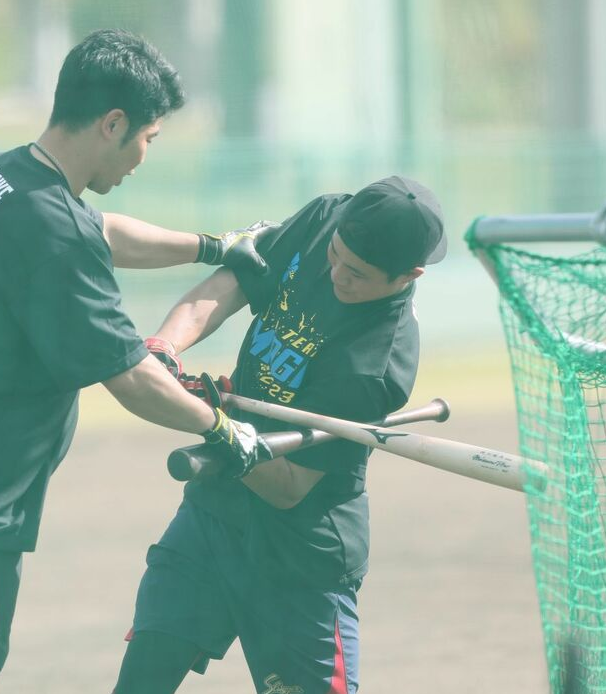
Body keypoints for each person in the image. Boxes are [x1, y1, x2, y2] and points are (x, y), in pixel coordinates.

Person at [0, 28, 270, 693]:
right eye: (147, 138)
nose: (142, 157)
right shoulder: (49, 230)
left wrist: (213, 247)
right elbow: (130, 377)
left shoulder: (7, 173)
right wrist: (219, 429)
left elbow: (102, 232)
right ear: (112, 123)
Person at [113, 176, 447, 694]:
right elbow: (237, 281)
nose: (335, 272)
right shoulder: (324, 219)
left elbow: (289, 486)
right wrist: (164, 349)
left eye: (356, 274)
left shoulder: (377, 362)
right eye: (334, 256)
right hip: (211, 517)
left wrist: (216, 426)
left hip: (300, 558)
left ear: (410, 275)